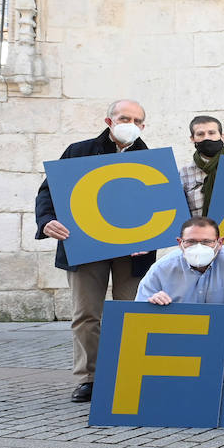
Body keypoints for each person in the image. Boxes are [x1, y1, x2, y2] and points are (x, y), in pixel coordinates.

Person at [35, 99, 157, 403]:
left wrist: (152, 236)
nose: (130, 123)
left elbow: (159, 207)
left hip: (133, 252)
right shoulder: (78, 152)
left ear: (143, 126)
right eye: (123, 117)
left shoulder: (151, 160)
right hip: (84, 245)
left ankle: (131, 373)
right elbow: (48, 191)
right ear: (109, 121)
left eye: (137, 120)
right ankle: (88, 378)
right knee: (86, 314)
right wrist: (47, 221)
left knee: (133, 312)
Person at [135, 217, 224, 306]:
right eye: (191, 242)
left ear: (220, 243)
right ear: (180, 243)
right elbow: (139, 308)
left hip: (223, 330)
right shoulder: (163, 266)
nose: (199, 247)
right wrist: (153, 305)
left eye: (206, 242)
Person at [178, 115, 224, 218]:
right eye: (200, 134)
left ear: (222, 137)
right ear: (192, 139)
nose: (206, 137)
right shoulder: (183, 174)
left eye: (212, 133)